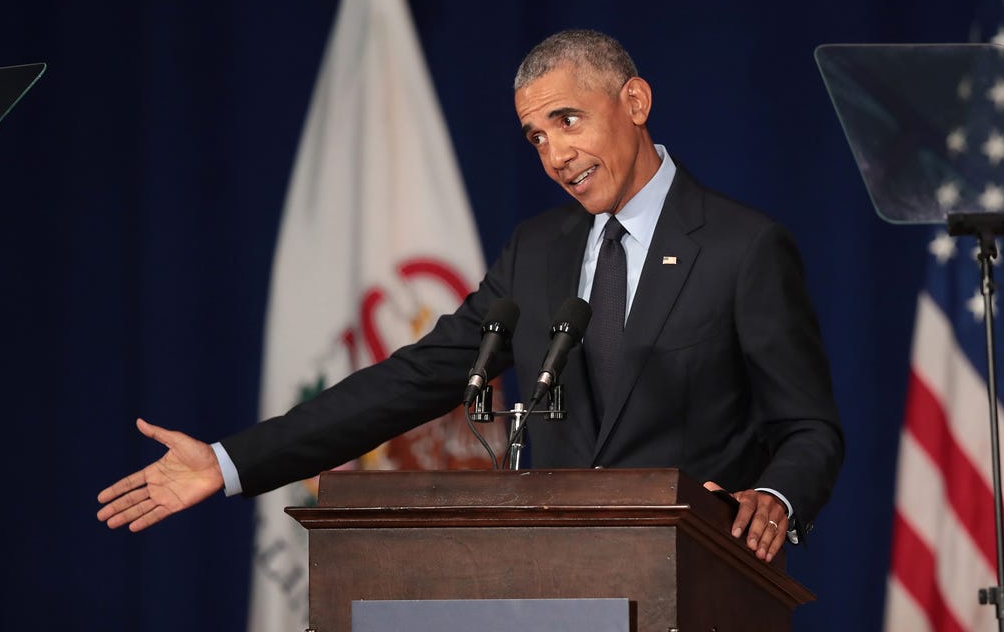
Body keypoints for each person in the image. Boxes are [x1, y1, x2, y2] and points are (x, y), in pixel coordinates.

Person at [98, 29, 844, 564]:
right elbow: (412, 381)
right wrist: (231, 461)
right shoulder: (537, 250)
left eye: (567, 121)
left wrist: (773, 500)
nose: (555, 155)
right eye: (535, 138)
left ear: (636, 101)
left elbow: (809, 428)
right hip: (547, 583)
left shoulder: (744, 248)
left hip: (695, 582)